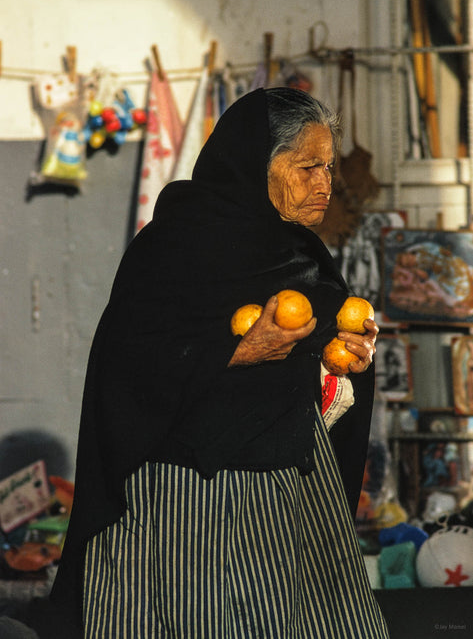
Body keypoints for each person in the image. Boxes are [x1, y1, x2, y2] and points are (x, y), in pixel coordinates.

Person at [50, 88, 389, 638]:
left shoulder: (302, 255)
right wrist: (238, 351)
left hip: (288, 501)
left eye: (327, 167)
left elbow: (317, 373)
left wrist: (347, 358)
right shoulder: (171, 248)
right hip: (185, 503)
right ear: (256, 165)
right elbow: (128, 367)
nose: (324, 183)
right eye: (307, 167)